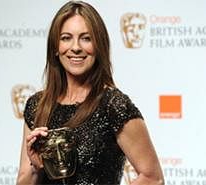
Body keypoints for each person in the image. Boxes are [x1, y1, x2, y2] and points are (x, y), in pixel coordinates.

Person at [16, 1, 164, 185]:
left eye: (86, 38)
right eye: (66, 38)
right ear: (55, 47)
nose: (76, 47)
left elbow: (153, 178)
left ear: (99, 45)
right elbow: (23, 180)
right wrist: (36, 167)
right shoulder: (37, 105)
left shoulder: (114, 106)